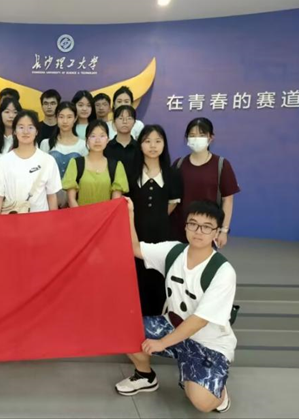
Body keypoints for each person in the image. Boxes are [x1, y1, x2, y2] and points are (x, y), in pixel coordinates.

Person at [115, 199, 236, 414]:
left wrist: (162, 343)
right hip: (172, 325)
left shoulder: (223, 272)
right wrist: (129, 213)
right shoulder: (173, 251)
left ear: (216, 232)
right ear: (185, 226)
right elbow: (135, 248)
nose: (198, 231)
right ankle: (145, 376)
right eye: (193, 224)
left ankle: (217, 392)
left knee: (202, 403)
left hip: (208, 343)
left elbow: (199, 321)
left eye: (207, 227)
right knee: (123, 327)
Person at [130, 125, 182, 316]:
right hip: (135, 235)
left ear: (164, 145)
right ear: (140, 145)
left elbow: (172, 203)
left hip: (162, 235)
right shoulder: (130, 172)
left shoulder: (172, 174)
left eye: (158, 141)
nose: (153, 146)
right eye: (147, 141)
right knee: (136, 278)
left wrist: (156, 217)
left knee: (158, 278)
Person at [170, 118, 240, 248]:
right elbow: (171, 199)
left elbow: (228, 200)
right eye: (192, 135)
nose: (196, 139)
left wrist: (223, 230)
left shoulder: (221, 165)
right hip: (179, 231)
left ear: (211, 138)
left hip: (208, 231)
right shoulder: (179, 164)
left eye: (202, 135)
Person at [0, 110, 61, 214]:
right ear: (14, 131)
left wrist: (53, 221)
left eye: (30, 127)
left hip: (40, 219)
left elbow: (51, 196)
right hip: (11, 218)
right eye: (21, 127)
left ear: (36, 131)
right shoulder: (4, 161)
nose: (25, 132)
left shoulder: (48, 160)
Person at [63, 119, 128, 207]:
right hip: (79, 214)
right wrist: (82, 215)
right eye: (93, 136)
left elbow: (115, 203)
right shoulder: (75, 163)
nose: (97, 140)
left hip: (107, 215)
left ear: (108, 140)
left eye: (102, 136)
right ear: (87, 140)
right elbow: (71, 199)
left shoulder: (116, 166)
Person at [40, 101, 88, 178]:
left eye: (69, 117)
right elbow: (42, 172)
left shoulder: (83, 145)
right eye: (61, 117)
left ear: (75, 118)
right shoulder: (46, 143)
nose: (65, 121)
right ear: (56, 118)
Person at [104, 105, 139, 178]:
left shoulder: (139, 148)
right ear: (114, 122)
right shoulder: (106, 147)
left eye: (129, 118)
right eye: (120, 118)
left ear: (134, 122)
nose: (125, 122)